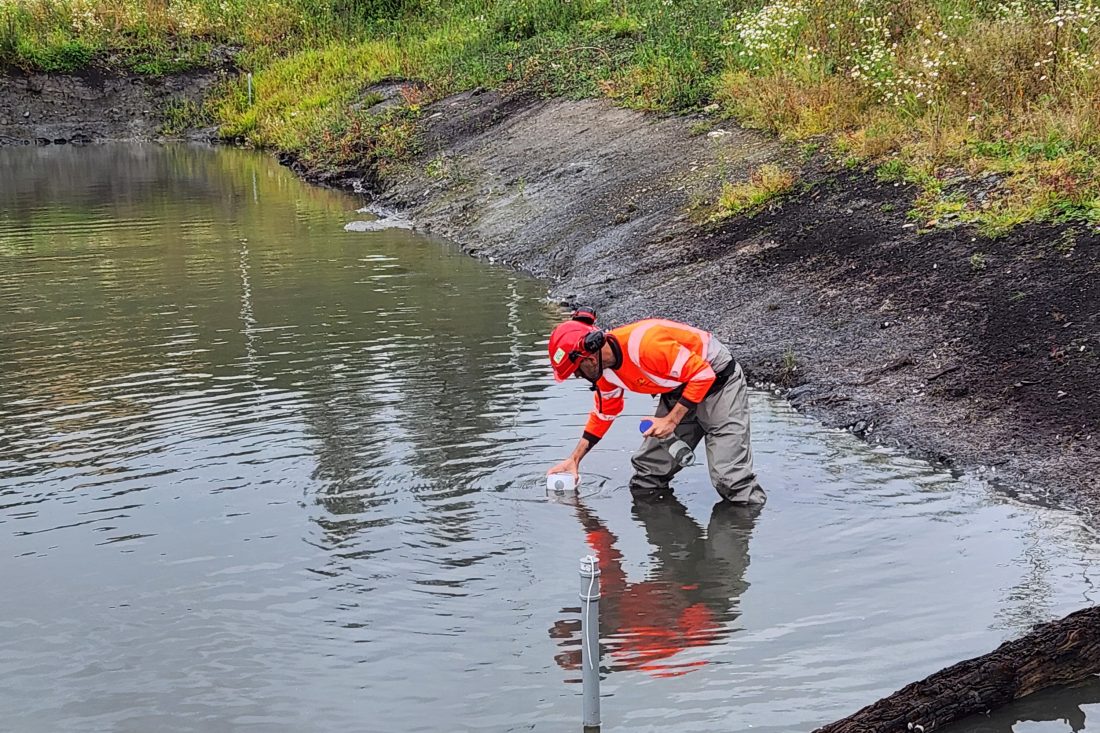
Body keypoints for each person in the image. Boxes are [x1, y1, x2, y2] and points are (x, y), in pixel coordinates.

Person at [546, 307, 765, 504]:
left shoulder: (645, 345)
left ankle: (745, 531)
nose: (576, 376)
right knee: (647, 477)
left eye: (575, 370)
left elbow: (703, 374)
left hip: (718, 384)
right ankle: (671, 542)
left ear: (590, 359)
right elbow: (604, 414)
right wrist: (574, 459)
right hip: (678, 390)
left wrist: (671, 421)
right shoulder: (604, 374)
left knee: (730, 479)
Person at [549, 498, 758, 677]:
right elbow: (703, 636)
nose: (583, 611)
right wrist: (693, 598)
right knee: (721, 555)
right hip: (706, 600)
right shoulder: (640, 649)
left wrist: (584, 515)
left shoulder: (610, 606)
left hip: (683, 585)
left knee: (656, 509)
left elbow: (608, 558)